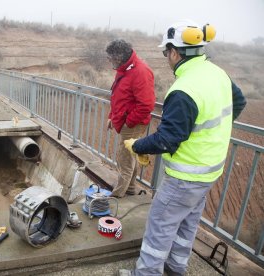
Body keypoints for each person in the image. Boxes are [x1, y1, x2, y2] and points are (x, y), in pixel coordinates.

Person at [118, 20, 246, 276]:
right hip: (210, 171)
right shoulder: (216, 72)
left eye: (167, 53)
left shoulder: (183, 89)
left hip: (186, 175)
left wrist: (137, 145)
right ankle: (176, 268)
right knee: (187, 223)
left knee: (159, 225)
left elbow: (167, 139)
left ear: (175, 52)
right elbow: (239, 102)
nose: (167, 58)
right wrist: (210, 133)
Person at [106, 39, 155, 198]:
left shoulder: (140, 71)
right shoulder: (124, 69)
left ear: (120, 57)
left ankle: (117, 195)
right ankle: (130, 189)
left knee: (124, 158)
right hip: (125, 121)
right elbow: (118, 97)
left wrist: (129, 122)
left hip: (133, 123)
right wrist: (111, 117)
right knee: (129, 154)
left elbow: (146, 105)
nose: (110, 61)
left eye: (111, 58)